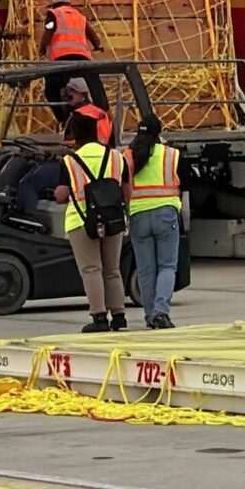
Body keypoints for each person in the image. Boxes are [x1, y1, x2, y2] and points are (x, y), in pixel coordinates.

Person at [49, 110, 154, 333]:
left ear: (75, 135)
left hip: (82, 220)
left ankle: (99, 317)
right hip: (113, 218)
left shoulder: (70, 161)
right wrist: (122, 211)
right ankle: (119, 315)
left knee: (91, 269)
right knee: (113, 269)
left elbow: (61, 194)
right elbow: (127, 190)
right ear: (96, 132)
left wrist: (57, 192)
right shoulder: (116, 157)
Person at [128, 126, 186, 329]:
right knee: (167, 266)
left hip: (138, 215)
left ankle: (150, 315)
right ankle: (161, 312)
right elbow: (185, 183)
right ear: (158, 133)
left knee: (145, 270)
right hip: (165, 215)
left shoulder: (129, 155)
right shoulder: (171, 154)